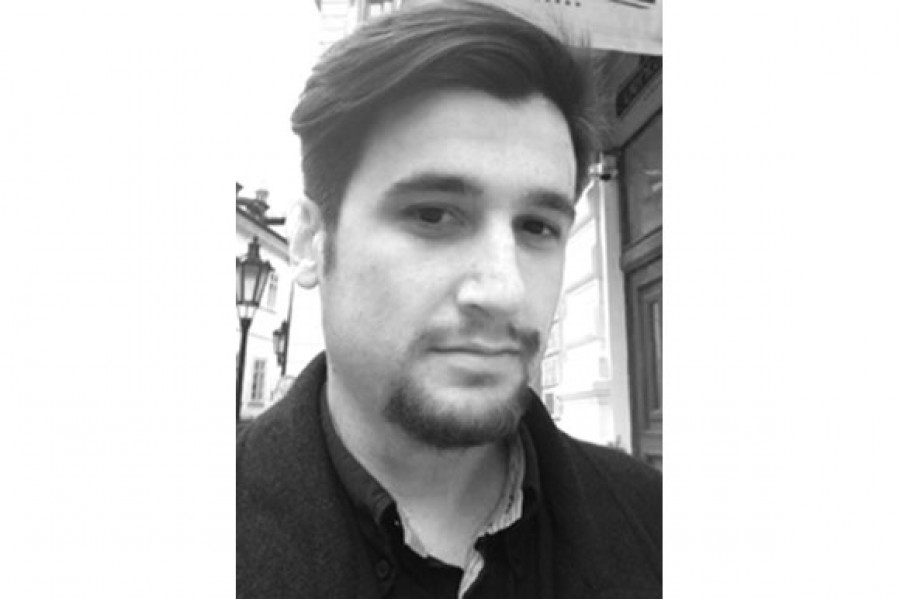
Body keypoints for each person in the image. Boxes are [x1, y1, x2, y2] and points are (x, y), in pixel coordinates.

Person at [236, 2, 661, 597]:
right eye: (433, 215)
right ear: (310, 242)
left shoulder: (654, 522)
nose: (505, 291)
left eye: (537, 227)